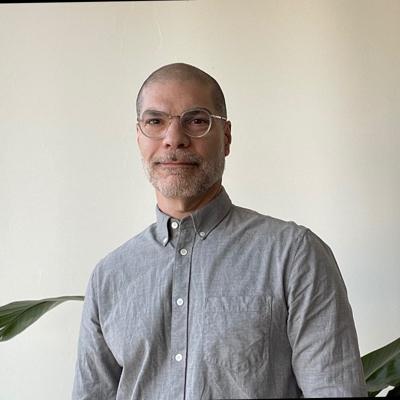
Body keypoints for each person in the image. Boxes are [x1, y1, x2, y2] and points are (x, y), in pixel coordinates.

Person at [72, 62, 367, 399]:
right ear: (139, 137)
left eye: (196, 121)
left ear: (226, 137)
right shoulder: (109, 277)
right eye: (155, 121)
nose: (174, 138)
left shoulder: (293, 255)